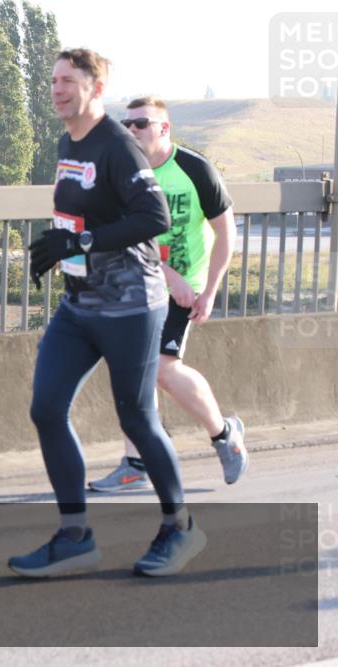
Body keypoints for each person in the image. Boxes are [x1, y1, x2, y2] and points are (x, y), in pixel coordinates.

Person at [8, 49, 204, 578]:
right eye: (52, 80)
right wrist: (63, 249)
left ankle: (179, 527)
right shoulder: (67, 140)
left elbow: (154, 216)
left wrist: (84, 239)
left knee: (136, 417)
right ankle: (75, 536)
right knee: (46, 408)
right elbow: (78, 209)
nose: (56, 89)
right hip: (80, 304)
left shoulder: (117, 144)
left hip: (131, 306)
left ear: (95, 89)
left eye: (68, 81)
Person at [89, 97, 249, 493]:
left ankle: (223, 433)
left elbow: (226, 234)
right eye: (126, 123)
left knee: (160, 367)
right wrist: (166, 273)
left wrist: (208, 290)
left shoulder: (195, 170)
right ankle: (135, 463)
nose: (131, 130)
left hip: (183, 289)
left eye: (141, 123)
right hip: (135, 281)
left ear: (164, 129)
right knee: (130, 371)